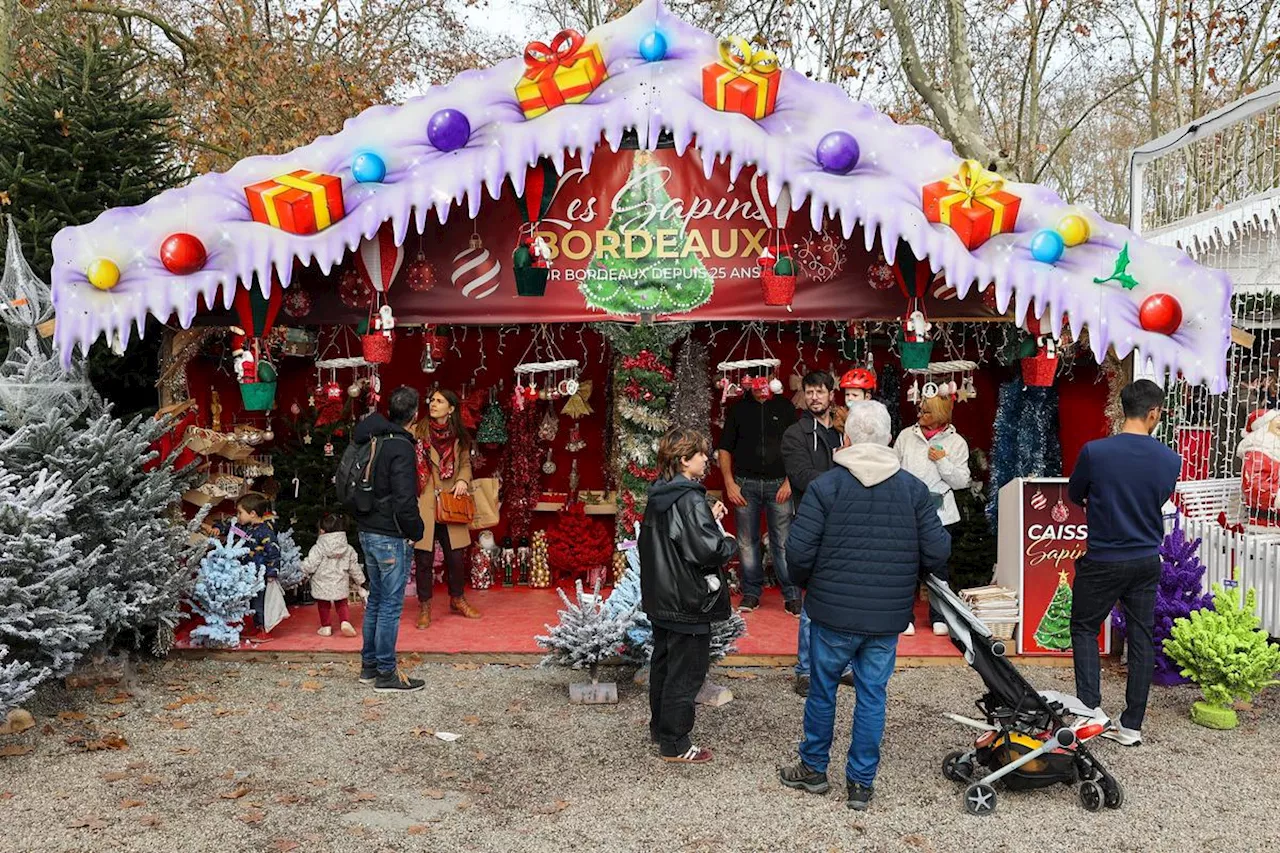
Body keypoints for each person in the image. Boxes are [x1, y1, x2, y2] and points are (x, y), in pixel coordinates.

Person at [780, 401, 950, 810]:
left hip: (831, 611)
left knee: (822, 691)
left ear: (847, 438)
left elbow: (797, 553)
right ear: (890, 438)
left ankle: (814, 768)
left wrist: (809, 586)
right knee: (873, 695)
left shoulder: (825, 487)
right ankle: (861, 783)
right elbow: (939, 552)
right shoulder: (913, 490)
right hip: (887, 614)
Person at [1068, 379, 1180, 747]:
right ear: (1153, 413)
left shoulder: (1095, 452)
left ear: (1121, 408)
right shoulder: (1169, 459)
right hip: (1146, 557)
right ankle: (1131, 725)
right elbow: (1159, 496)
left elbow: (1075, 493)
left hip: (1103, 556)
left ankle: (1089, 712)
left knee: (1084, 628)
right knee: (1141, 636)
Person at [641, 427, 739, 764]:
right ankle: (676, 742)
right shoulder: (691, 498)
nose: (706, 460)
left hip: (663, 598)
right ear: (685, 460)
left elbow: (675, 537)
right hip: (689, 599)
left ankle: (661, 729)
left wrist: (705, 520)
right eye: (700, 455)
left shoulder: (659, 494)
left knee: (664, 666)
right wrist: (728, 541)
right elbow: (707, 550)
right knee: (686, 673)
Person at [352, 386, 427, 693]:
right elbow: (405, 497)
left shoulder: (376, 438)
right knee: (390, 606)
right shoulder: (401, 447)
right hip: (390, 535)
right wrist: (415, 531)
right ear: (415, 414)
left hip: (368, 528)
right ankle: (385, 672)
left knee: (376, 602)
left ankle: (369, 667)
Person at [781, 371, 843, 697]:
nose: (815, 397)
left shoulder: (841, 434)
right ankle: (805, 669)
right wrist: (843, 480)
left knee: (843, 596)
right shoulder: (795, 434)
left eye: (820, 391)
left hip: (844, 525)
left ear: (831, 395)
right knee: (811, 598)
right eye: (809, 392)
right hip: (811, 523)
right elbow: (803, 476)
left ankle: (840, 665)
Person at [718, 374, 798, 613]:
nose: (761, 386)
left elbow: (797, 447)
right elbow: (724, 448)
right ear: (748, 383)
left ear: (773, 379)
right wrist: (729, 483)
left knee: (783, 542)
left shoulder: (785, 407)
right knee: (746, 541)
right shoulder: (739, 409)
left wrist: (790, 481)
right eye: (755, 381)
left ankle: (792, 594)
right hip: (745, 485)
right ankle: (751, 592)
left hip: (779, 485)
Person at [893, 393, 970, 636]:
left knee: (938, 567)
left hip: (941, 515)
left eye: (925, 411)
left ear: (939, 415)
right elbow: (892, 469)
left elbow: (961, 481)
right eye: (920, 410)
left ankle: (940, 617)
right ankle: (904, 617)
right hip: (907, 512)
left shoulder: (957, 442)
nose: (919, 415)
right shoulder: (906, 436)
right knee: (905, 566)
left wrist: (943, 462)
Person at [411, 389, 480, 627]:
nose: (433, 403)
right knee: (423, 559)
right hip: (426, 503)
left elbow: (465, 465)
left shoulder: (459, 436)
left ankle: (457, 599)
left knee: (456, 558)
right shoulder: (417, 431)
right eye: (432, 400)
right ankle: (425, 606)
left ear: (451, 409)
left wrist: (462, 480)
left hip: (451, 503)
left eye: (440, 401)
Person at [214, 493, 280, 644]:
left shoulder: (265, 532)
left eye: (240, 513)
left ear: (252, 514)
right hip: (247, 574)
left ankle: (263, 630)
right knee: (251, 602)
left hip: (260, 576)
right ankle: (256, 627)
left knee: (259, 603)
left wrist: (272, 572)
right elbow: (232, 529)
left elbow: (274, 553)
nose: (237, 516)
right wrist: (218, 528)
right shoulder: (247, 529)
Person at [301, 513, 366, 638]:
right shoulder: (348, 548)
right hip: (340, 581)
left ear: (322, 530)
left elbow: (310, 564)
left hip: (321, 582)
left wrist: (302, 571)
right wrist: (361, 581)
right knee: (341, 602)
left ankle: (326, 627)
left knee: (323, 604)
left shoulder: (318, 548)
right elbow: (354, 567)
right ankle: (345, 622)